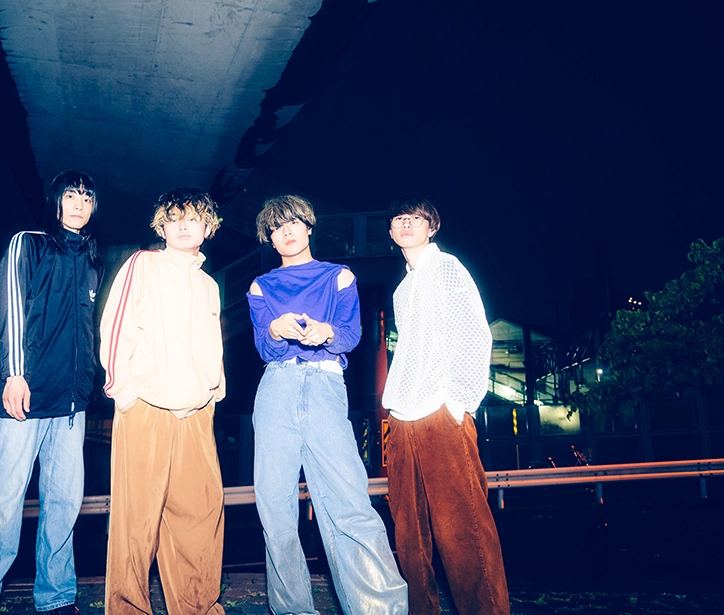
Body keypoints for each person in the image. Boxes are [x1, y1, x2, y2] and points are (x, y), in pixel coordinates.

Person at [246, 195, 408, 615]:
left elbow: (350, 334)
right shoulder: (260, 286)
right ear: (269, 238)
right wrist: (276, 330)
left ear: (309, 226)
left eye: (294, 222)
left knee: (348, 500)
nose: (287, 231)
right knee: (275, 507)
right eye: (277, 227)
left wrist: (326, 333)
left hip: (324, 384)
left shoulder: (339, 276)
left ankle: (380, 608)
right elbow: (264, 347)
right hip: (276, 387)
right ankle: (292, 609)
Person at [0, 170, 103, 615]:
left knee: (64, 505)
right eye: (71, 195)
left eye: (87, 198)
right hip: (25, 398)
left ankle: (56, 597)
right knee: (2, 502)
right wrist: (14, 373)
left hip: (71, 404)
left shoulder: (92, 258)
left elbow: (85, 330)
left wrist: (89, 382)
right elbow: (8, 307)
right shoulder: (30, 243)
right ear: (55, 201)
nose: (79, 204)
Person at [99, 188, 227, 615]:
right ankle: (128, 609)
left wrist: (214, 392)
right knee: (136, 520)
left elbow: (211, 343)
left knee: (200, 515)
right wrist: (124, 393)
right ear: (162, 227)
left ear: (208, 227)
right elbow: (116, 327)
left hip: (197, 411)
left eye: (193, 218)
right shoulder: (143, 264)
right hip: (146, 406)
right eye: (174, 219)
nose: (183, 226)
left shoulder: (209, 284)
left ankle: (198, 607)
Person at [382, 194, 509, 615]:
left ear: (431, 226)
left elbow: (474, 332)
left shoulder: (448, 268)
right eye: (399, 219)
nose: (406, 224)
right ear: (391, 230)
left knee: (462, 525)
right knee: (408, 530)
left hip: (440, 409)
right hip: (402, 415)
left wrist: (459, 401)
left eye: (415, 218)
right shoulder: (402, 289)